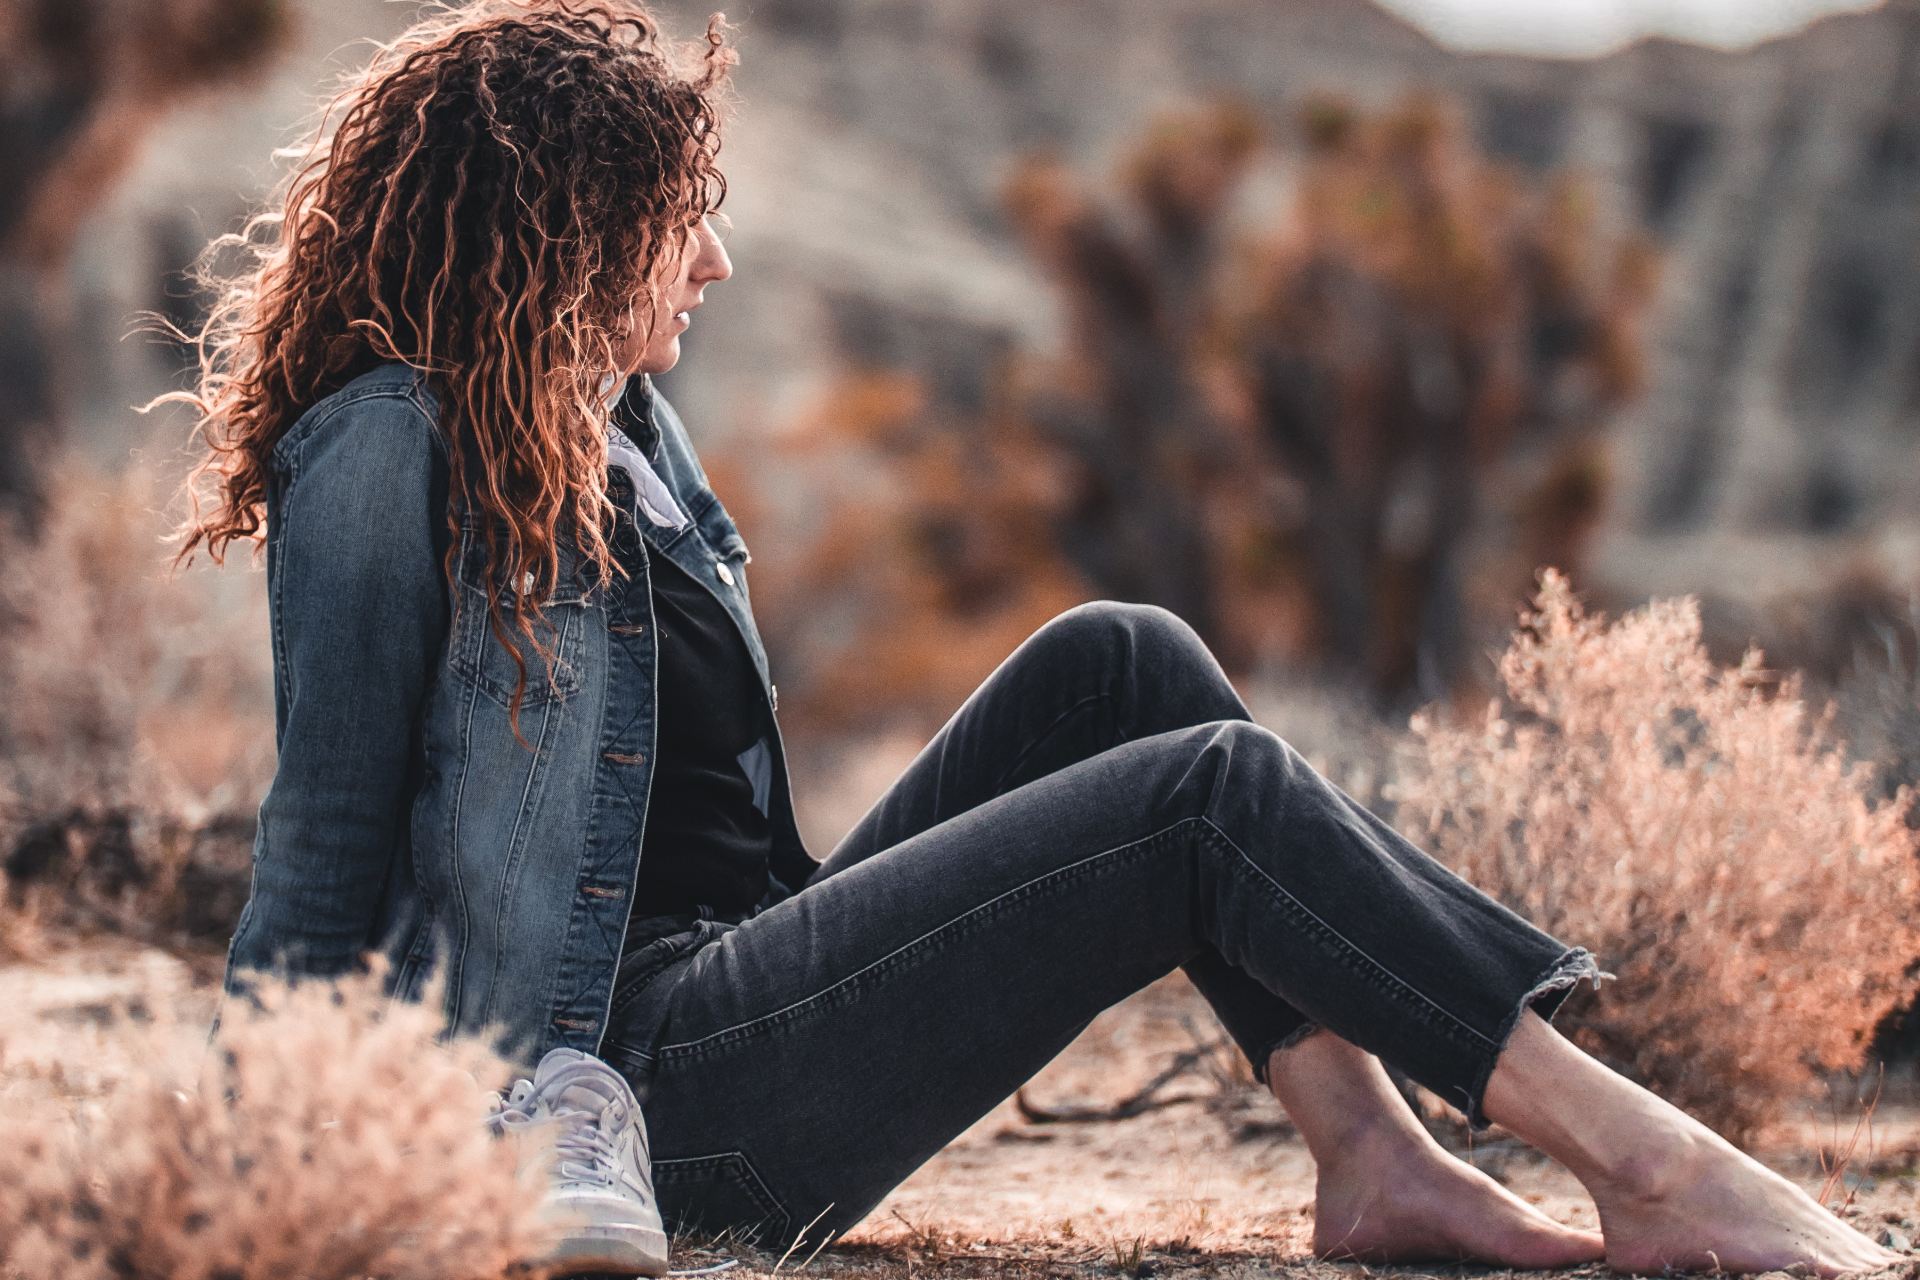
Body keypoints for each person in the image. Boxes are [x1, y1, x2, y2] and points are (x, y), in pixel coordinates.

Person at [152, 3, 1907, 1278]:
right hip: (623, 1095)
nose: (720, 260)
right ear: (573, 220)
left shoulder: (620, 426)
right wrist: (269, 1179)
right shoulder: (388, 443)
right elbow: (318, 851)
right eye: (684, 213)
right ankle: (1652, 1162)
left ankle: (1371, 1159)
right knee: (1201, 795)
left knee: (1125, 659)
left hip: (738, 984)